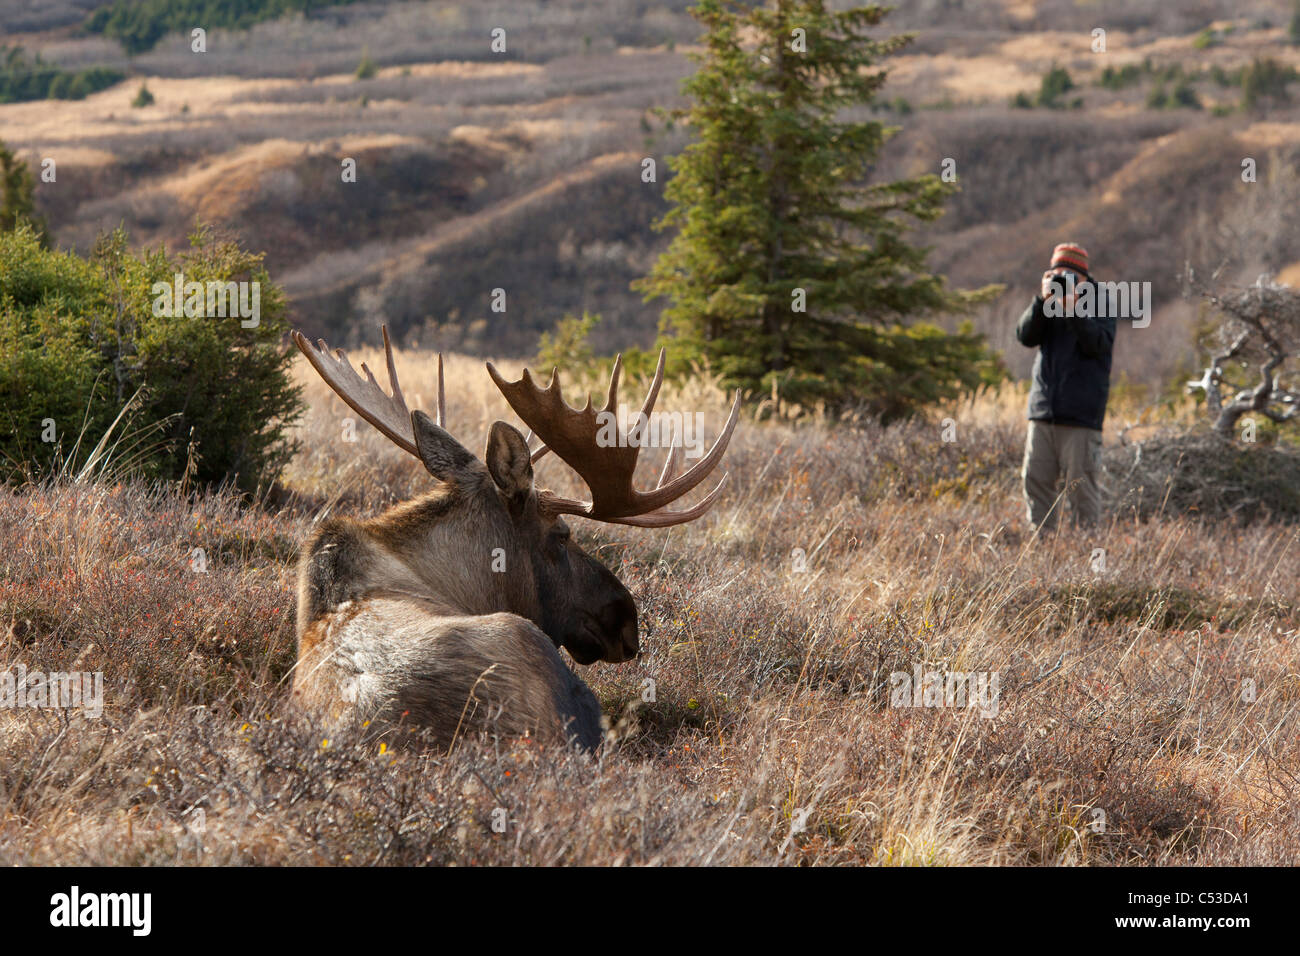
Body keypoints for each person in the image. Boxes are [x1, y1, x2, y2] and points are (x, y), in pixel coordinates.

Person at [1015, 242, 1116, 530]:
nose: (1062, 279)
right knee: (1036, 482)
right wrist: (1042, 302)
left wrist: (1073, 309)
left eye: (1069, 274)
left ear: (1084, 278)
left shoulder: (1102, 302)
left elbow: (1098, 345)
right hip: (1044, 410)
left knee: (1082, 490)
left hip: (1081, 416)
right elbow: (1024, 336)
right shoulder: (1047, 305)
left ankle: (1086, 556)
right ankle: (1043, 549)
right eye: (1056, 272)